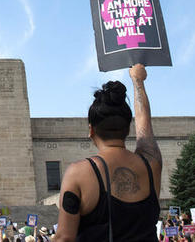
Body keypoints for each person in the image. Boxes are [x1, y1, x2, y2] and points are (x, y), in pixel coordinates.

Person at [55, 64, 161, 242]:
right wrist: (138, 81)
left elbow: (64, 238)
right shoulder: (152, 163)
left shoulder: (79, 173)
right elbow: (144, 121)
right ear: (128, 128)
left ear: (91, 130)